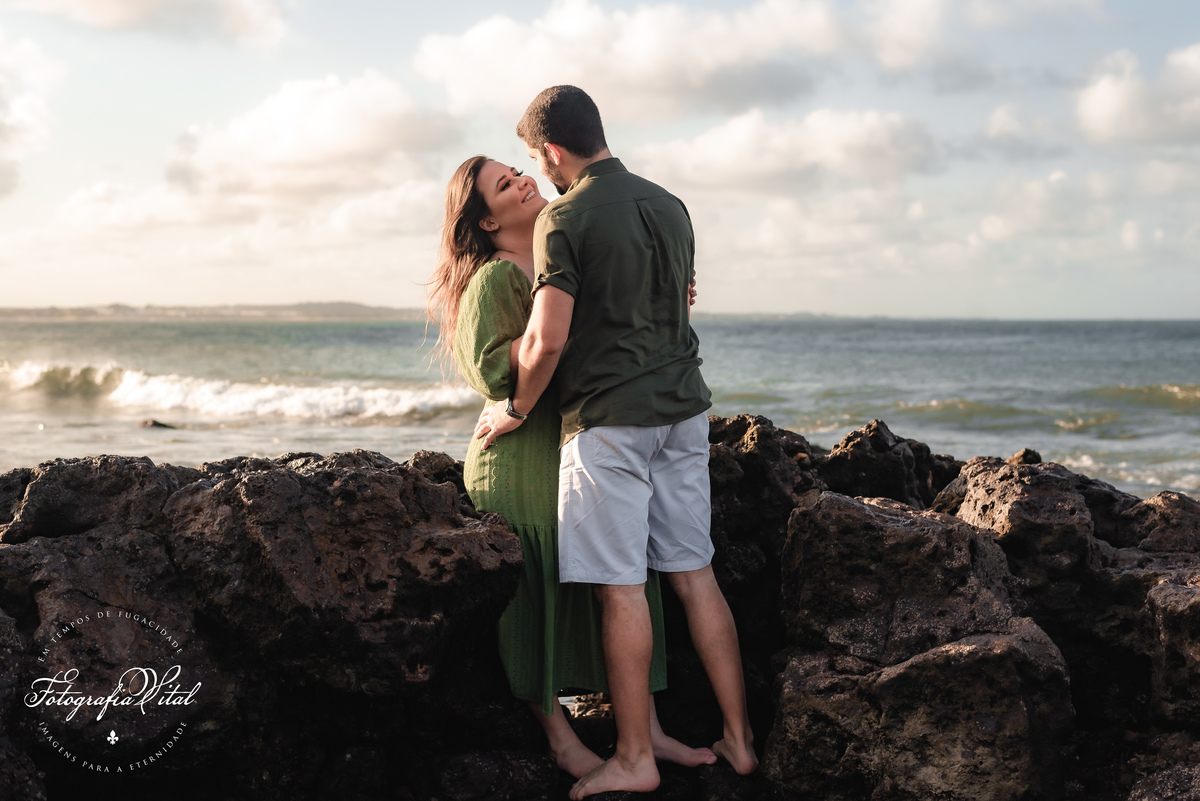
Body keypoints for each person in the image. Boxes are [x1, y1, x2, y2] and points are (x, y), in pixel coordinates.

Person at [475, 85, 758, 799]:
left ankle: (634, 755)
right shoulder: (670, 204)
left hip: (611, 421)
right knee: (695, 574)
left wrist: (514, 406)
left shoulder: (564, 218)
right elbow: (674, 298)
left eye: (534, 161)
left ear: (552, 151)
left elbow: (544, 339)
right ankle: (739, 738)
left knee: (622, 589)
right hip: (685, 412)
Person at [427, 155, 714, 779]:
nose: (525, 180)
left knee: (622, 580)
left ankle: (647, 731)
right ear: (482, 219)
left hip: (583, 443)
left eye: (518, 170)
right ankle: (558, 736)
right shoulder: (498, 278)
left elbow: (616, 339)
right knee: (539, 592)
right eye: (506, 184)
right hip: (520, 459)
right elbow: (491, 369)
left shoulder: (563, 252)